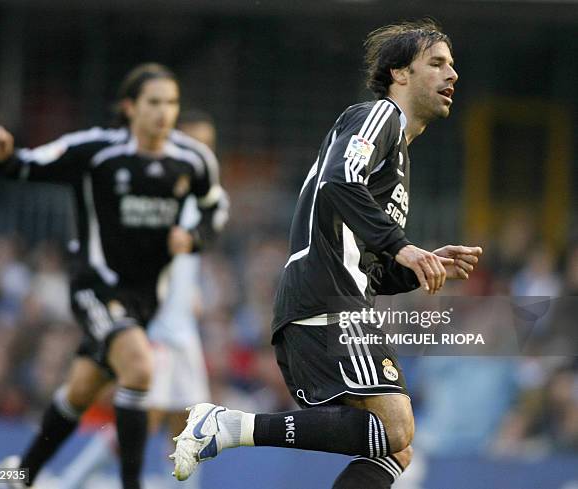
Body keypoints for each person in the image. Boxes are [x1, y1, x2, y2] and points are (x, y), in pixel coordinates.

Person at [171, 19, 482, 488]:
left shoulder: (397, 154)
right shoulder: (379, 116)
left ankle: (230, 427)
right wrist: (404, 247)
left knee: (395, 448)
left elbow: (369, 263)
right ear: (399, 74)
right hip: (328, 301)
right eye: (436, 63)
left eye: (452, 66)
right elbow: (339, 181)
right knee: (397, 428)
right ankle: (228, 425)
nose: (451, 75)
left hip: (332, 299)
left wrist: (422, 265)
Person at [0, 63, 228, 489]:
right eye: (154, 102)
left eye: (171, 103)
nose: (164, 112)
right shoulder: (96, 151)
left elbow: (216, 208)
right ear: (130, 107)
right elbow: (27, 165)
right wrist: (3, 155)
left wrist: (193, 237)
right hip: (95, 284)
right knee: (139, 368)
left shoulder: (192, 160)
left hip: (145, 299)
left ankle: (21, 474)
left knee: (79, 391)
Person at [57, 111, 219, 489]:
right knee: (144, 417)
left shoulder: (202, 196)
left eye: (206, 144)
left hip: (184, 327)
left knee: (192, 420)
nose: (200, 152)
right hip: (158, 323)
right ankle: (69, 480)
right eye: (193, 142)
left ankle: (180, 485)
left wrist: (190, 290)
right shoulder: (159, 192)